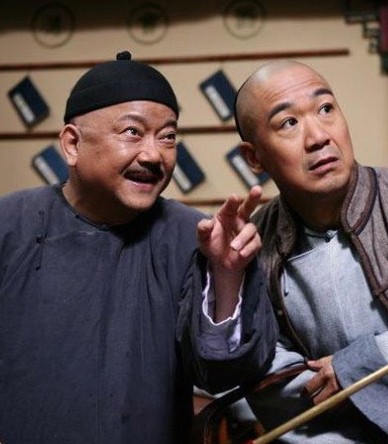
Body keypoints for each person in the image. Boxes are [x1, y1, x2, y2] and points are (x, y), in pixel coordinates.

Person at [0, 51, 277, 444]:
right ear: (72, 144)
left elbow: (222, 375)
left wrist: (227, 276)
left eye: (168, 137)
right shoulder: (12, 224)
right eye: (132, 132)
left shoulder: (193, 235)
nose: (153, 155)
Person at [234, 59, 388, 443]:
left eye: (326, 108)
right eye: (289, 123)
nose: (318, 136)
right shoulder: (254, 244)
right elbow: (265, 375)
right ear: (254, 157)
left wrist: (359, 368)